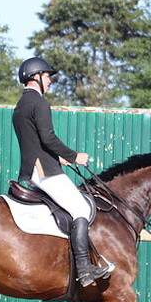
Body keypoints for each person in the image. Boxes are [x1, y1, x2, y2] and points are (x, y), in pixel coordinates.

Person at [12, 56, 112, 287]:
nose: (50, 81)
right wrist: (73, 156)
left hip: (34, 167)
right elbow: (47, 137)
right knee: (81, 207)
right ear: (35, 77)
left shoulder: (21, 105)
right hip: (44, 170)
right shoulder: (39, 103)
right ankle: (85, 270)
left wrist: (57, 158)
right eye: (47, 76)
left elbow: (33, 141)